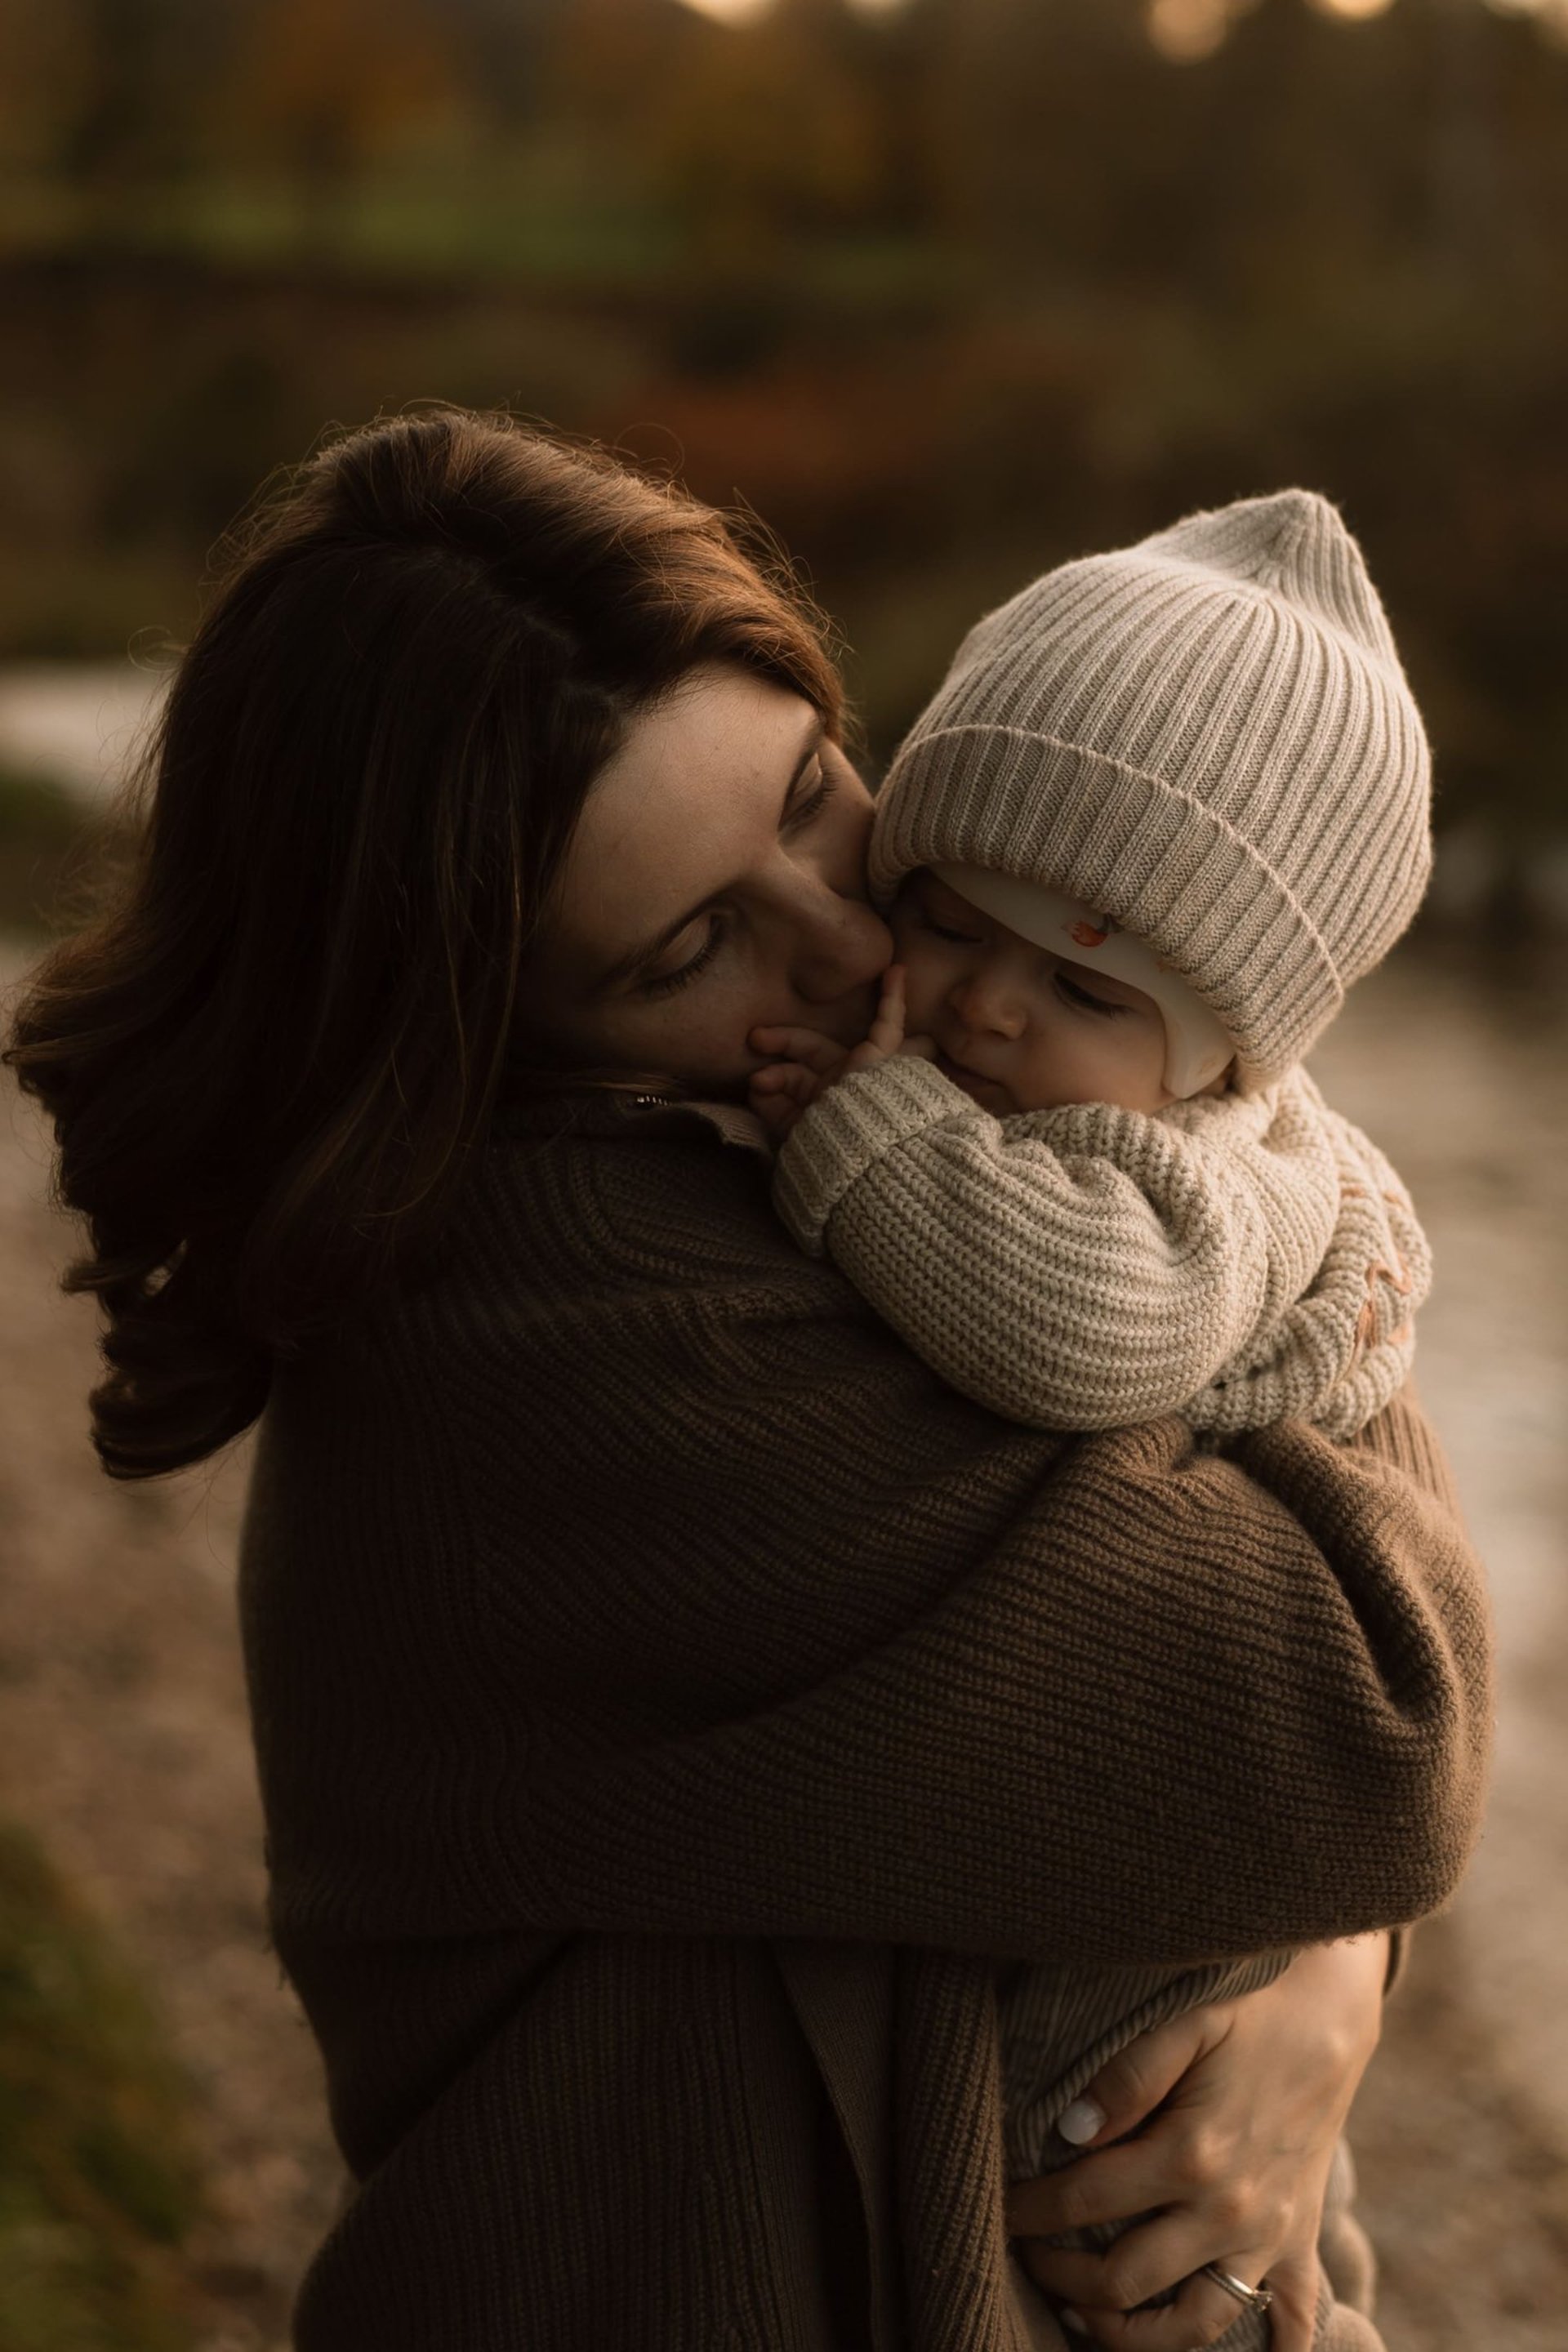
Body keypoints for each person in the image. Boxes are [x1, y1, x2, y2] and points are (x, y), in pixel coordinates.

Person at [4, 410, 1491, 2352]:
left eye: (809, 796)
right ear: (471, 1011)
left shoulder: (823, 1152)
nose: (860, 938)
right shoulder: (568, 1313)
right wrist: (1339, 1944)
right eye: (697, 938)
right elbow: (1366, 1716)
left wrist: (1332, 1979)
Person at [742, 492, 1441, 2344]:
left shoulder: (1210, 1181)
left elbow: (1069, 1330)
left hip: (1178, 1949)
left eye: (1080, 986)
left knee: (1180, 2242)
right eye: (947, 920)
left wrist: (853, 1129)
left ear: (1231, 1051)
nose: (978, 1009)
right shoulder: (1073, 1085)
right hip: (1172, 1826)